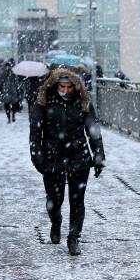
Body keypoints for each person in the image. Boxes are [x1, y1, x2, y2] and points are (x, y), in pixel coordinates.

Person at [29, 68, 106, 256]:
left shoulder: (82, 101)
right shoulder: (44, 102)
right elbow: (35, 132)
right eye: (62, 87)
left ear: (75, 86)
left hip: (78, 156)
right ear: (55, 86)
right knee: (54, 201)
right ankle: (56, 222)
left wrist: (98, 155)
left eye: (69, 87)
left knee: (77, 200)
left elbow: (93, 129)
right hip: (52, 157)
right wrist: (37, 157)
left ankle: (74, 237)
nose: (65, 90)